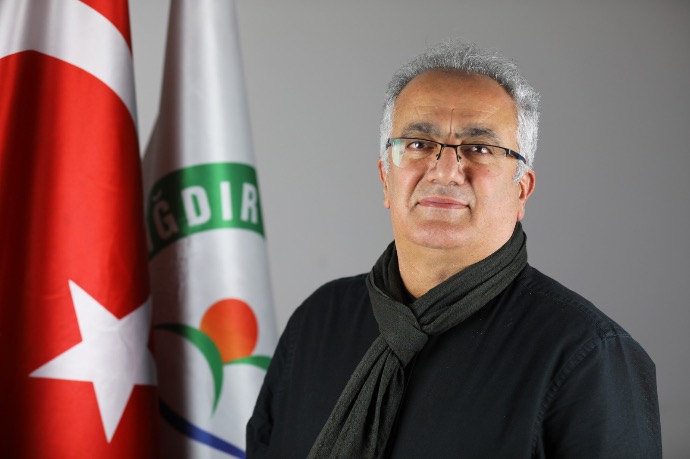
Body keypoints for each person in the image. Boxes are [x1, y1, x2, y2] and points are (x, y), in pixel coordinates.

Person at [246, 40, 661, 458]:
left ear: (521, 190)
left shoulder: (589, 356)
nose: (444, 172)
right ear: (385, 178)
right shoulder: (318, 323)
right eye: (418, 144)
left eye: (479, 148)